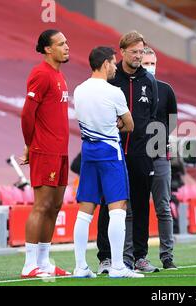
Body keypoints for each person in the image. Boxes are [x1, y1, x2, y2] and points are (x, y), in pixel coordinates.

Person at [72, 46, 142, 278]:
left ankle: (80, 266)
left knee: (85, 210)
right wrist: (115, 125)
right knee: (117, 208)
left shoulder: (79, 90)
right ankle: (119, 266)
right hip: (110, 150)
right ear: (105, 64)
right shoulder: (113, 92)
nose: (115, 67)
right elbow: (129, 124)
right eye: (113, 63)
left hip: (88, 151)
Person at [96, 31, 159, 274]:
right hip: (113, 152)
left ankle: (140, 256)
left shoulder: (149, 81)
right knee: (108, 203)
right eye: (133, 51)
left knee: (142, 205)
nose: (138, 56)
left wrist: (151, 150)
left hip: (141, 154)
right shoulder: (111, 79)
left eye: (141, 51)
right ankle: (106, 257)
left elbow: (152, 117)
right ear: (122, 51)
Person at [20, 29, 72, 278]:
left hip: (61, 151)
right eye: (61, 44)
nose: (66, 46)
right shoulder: (40, 74)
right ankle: (29, 264)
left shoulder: (59, 76)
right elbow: (27, 114)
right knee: (41, 206)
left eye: (66, 43)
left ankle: (44, 261)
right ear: (48, 49)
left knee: (55, 206)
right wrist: (29, 144)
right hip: (45, 150)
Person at [140, 47, 178, 270]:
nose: (149, 67)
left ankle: (167, 256)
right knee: (135, 208)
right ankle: (135, 254)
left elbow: (172, 120)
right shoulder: (131, 88)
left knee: (163, 206)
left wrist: (159, 139)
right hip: (135, 155)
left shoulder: (166, 90)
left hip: (160, 154)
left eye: (152, 63)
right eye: (145, 63)